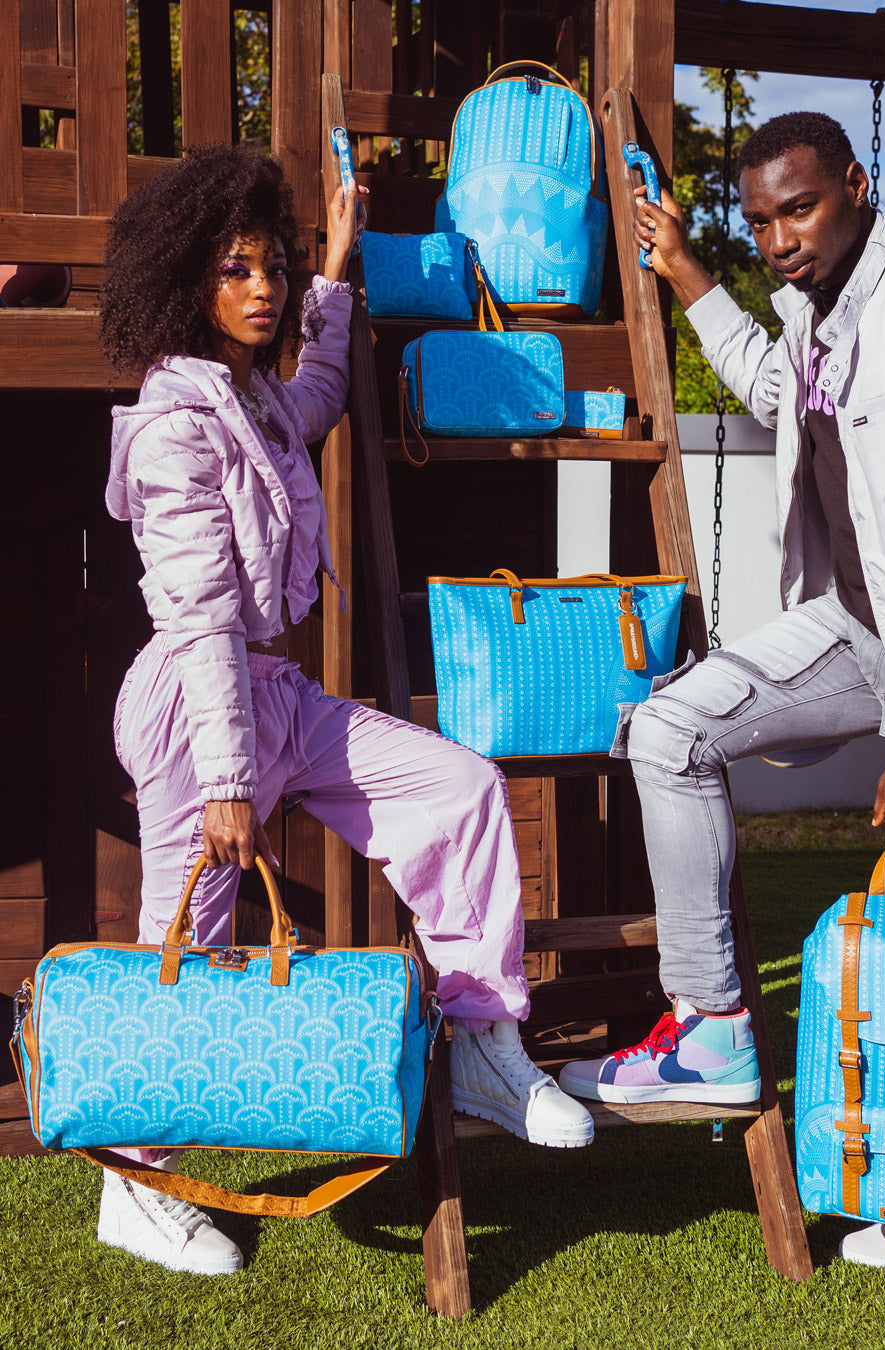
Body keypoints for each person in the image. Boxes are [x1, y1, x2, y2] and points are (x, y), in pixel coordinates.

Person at [558, 112, 885, 1266]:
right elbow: (771, 387)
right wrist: (687, 269)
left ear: (856, 183)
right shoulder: (815, 310)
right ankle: (712, 1026)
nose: (781, 239)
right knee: (670, 729)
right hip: (859, 624)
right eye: (761, 222)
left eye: (800, 209)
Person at [99, 144, 592, 1276]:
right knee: (188, 942)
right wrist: (228, 783)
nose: (262, 289)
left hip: (273, 692)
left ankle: (483, 1038)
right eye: (235, 270)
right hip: (198, 708)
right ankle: (135, 1180)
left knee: (459, 790)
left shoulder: (254, 395)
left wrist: (332, 260)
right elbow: (201, 618)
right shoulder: (174, 424)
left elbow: (316, 392)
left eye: (270, 267)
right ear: (185, 281)